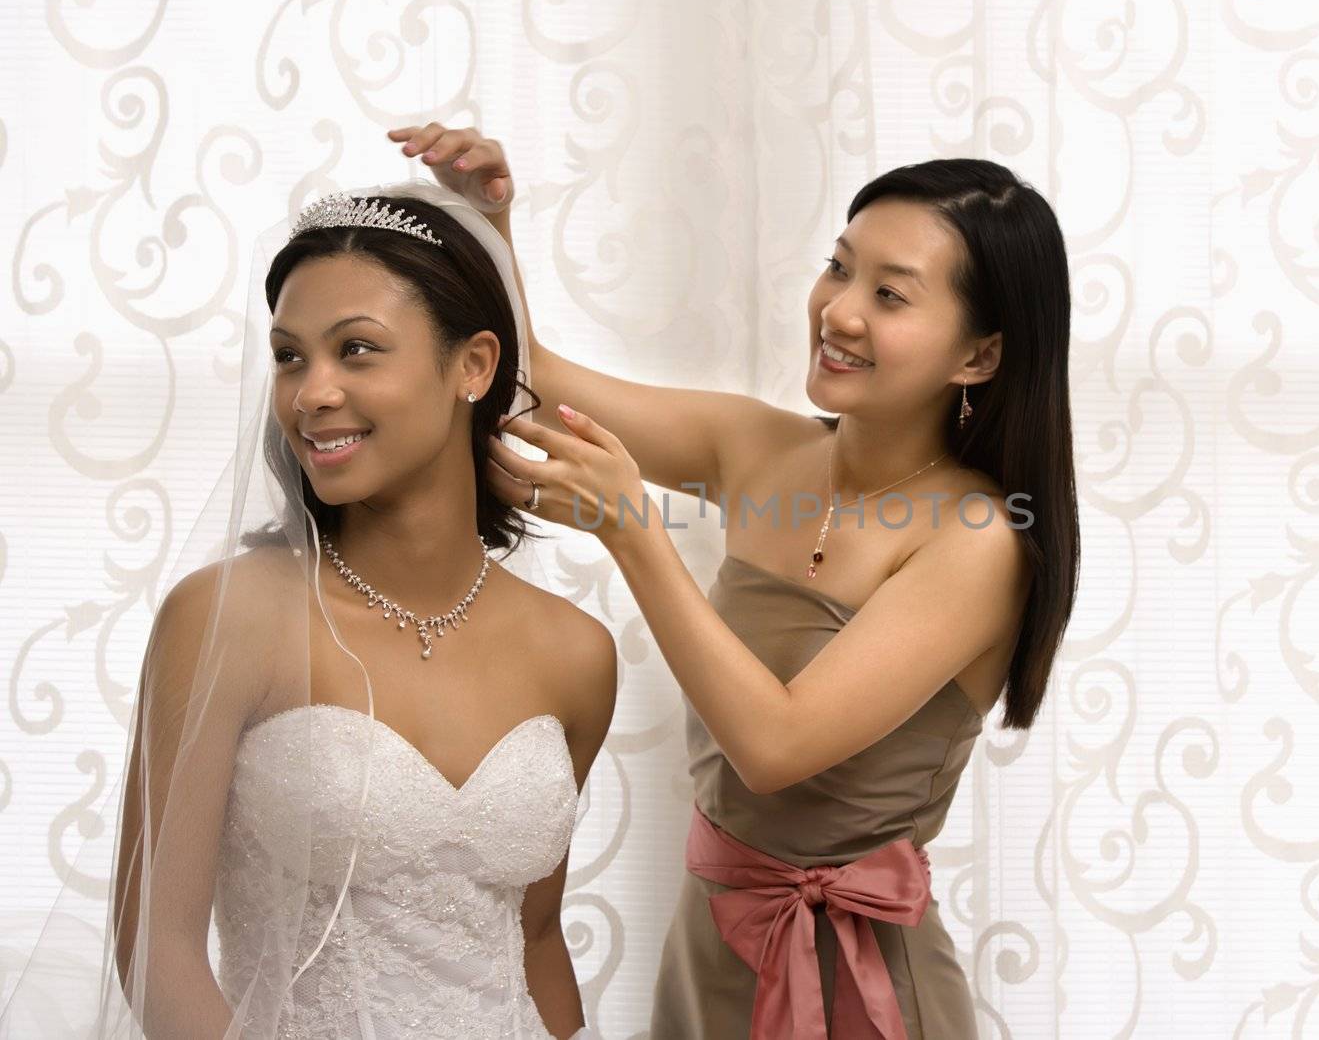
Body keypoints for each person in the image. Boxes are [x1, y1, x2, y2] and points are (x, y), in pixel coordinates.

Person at [389, 123, 1079, 1038]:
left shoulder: (980, 538)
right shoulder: (760, 448)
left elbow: (776, 743)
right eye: (839, 267)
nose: (839, 310)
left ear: (978, 356)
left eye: (890, 294)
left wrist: (632, 532)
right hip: (710, 942)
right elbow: (529, 385)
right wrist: (490, 229)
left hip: (863, 987)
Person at [2, 178, 614, 1039]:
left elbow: (536, 937)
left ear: (473, 366)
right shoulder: (228, 616)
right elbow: (157, 943)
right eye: (291, 356)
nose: (310, 392)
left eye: (356, 350)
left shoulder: (575, 650)